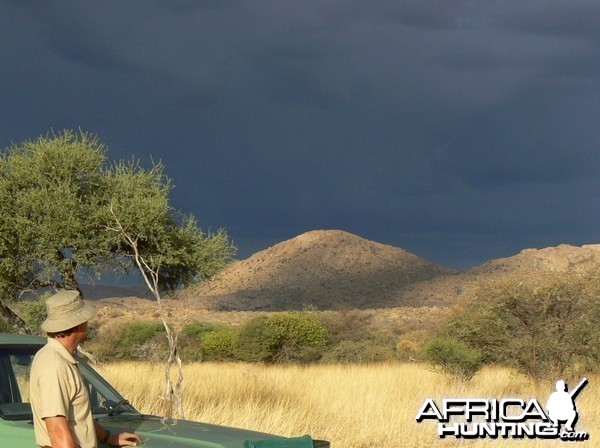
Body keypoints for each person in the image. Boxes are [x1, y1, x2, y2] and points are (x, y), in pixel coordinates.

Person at [30, 290, 142, 448]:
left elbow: (77, 416)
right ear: (78, 324)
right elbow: (57, 432)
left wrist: (108, 437)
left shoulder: (57, 358)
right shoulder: (55, 366)